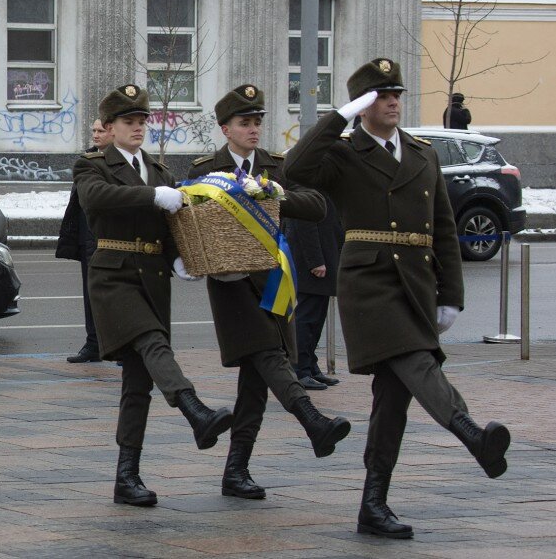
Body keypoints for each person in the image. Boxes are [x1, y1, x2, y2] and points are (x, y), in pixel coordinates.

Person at [285, 57, 511, 539]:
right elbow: (295, 168)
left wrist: (451, 294)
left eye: (395, 94)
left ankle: (373, 504)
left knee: (393, 399)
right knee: (416, 358)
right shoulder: (345, 153)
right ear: (364, 105)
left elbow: (446, 228)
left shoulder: (423, 153)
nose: (391, 102)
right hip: (368, 282)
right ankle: (470, 433)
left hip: (415, 282)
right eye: (380, 96)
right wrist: (339, 116)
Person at [186, 85, 349, 501]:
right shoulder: (206, 170)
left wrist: (278, 195)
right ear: (225, 128)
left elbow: (317, 206)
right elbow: (184, 219)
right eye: (245, 123)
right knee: (267, 355)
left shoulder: (275, 167)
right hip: (231, 284)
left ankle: (236, 471)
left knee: (255, 382)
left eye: (258, 121)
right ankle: (312, 420)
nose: (254, 129)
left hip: (273, 282)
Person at [74, 84, 233, 508]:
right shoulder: (93, 166)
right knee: (151, 341)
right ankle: (194, 409)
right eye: (129, 122)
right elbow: (96, 199)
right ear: (109, 127)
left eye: (142, 122)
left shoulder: (159, 171)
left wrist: (181, 257)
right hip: (113, 276)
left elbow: (171, 227)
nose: (138, 129)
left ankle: (127, 477)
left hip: (152, 278)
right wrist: (151, 196)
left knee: (138, 381)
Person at [56, 118, 114, 363]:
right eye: (93, 130)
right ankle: (93, 344)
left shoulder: (122, 163)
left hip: (113, 239)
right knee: (91, 294)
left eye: (101, 130)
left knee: (116, 295)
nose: (96, 135)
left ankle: (118, 345)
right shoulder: (87, 161)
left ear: (113, 132)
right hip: (88, 239)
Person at [283, 196, 343, 391]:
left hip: (325, 254)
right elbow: (304, 223)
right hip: (312, 261)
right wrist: (315, 260)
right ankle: (299, 369)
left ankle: (309, 365)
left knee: (316, 316)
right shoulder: (307, 182)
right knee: (306, 317)